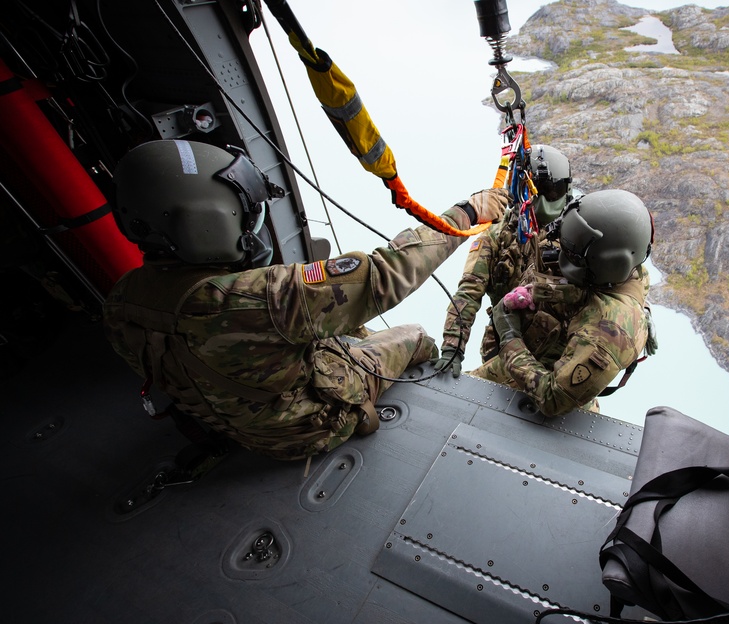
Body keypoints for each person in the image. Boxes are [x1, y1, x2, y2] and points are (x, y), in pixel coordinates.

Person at [103, 139, 509, 460]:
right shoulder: (258, 298)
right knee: (415, 335)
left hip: (231, 418)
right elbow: (386, 275)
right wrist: (468, 212)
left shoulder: (122, 300)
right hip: (304, 430)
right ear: (204, 223)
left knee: (348, 326)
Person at [473, 189, 654, 417]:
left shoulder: (607, 334)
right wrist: (540, 292)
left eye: (575, 257)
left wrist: (510, 338)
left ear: (610, 265)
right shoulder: (623, 265)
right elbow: (590, 290)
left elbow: (552, 399)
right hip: (550, 353)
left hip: (560, 393)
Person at [434, 144, 577, 376]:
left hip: (560, 353)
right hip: (507, 346)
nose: (542, 202)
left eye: (552, 192)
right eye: (534, 192)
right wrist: (453, 348)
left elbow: (619, 269)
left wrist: (641, 309)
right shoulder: (496, 238)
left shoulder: (578, 230)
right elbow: (469, 293)